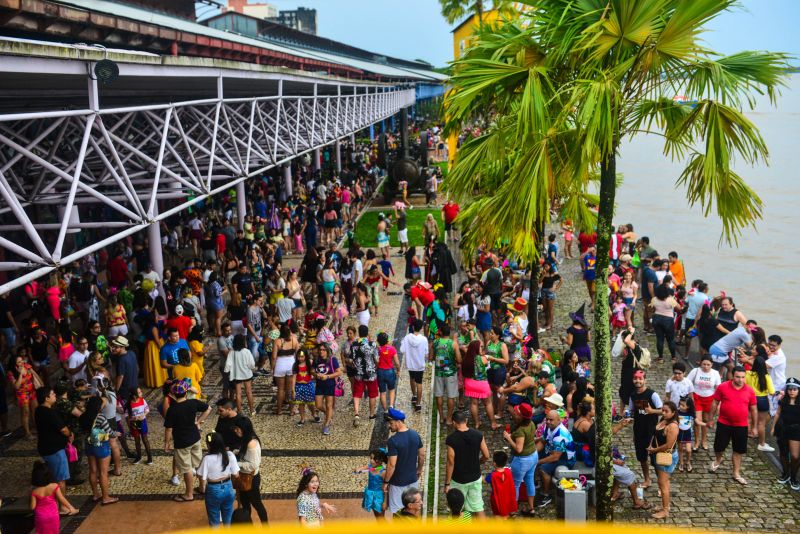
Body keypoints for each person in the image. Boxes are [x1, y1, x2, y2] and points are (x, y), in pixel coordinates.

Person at [164, 380, 211, 502]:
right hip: (195, 438)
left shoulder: (172, 410)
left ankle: (189, 494)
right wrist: (198, 421)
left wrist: (166, 443)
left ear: (173, 394)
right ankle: (202, 487)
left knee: (187, 468)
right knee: (199, 464)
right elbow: (208, 408)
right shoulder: (193, 403)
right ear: (186, 392)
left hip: (181, 442)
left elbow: (169, 429)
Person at [709, 366, 757, 485]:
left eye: (742, 377)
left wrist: (754, 426)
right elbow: (715, 402)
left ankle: (736, 473)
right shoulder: (723, 387)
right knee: (719, 447)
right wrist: (711, 419)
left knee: (738, 450)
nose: (740, 380)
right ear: (732, 376)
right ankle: (718, 459)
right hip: (724, 423)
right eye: (737, 377)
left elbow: (753, 409)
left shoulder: (750, 391)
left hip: (741, 426)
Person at [445, 410, 490, 519]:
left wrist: (447, 484)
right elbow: (487, 455)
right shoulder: (478, 435)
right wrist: (479, 461)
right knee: (478, 507)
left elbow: (451, 462)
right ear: (466, 420)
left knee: (457, 508)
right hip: (475, 478)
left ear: (454, 423)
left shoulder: (451, 439)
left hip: (458, 480)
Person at [34, 387, 72, 507]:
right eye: (52, 394)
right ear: (46, 398)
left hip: (44, 448)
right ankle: (63, 507)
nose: (55, 394)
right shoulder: (50, 413)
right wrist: (70, 434)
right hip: (55, 450)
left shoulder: (38, 410)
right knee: (60, 480)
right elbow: (64, 430)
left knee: (52, 477)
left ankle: (52, 504)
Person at [383, 408, 425, 514]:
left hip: (397, 483)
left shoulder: (393, 441)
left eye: (391, 423)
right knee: (414, 509)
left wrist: (386, 482)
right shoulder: (415, 435)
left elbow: (392, 464)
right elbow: (421, 454)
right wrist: (419, 470)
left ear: (398, 422)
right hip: (413, 480)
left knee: (397, 512)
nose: (389, 426)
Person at [79, 395, 118, 505]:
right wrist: (116, 434)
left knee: (93, 471)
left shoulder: (83, 416)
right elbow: (110, 432)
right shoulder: (100, 417)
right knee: (103, 473)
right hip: (101, 445)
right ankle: (106, 497)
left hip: (89, 445)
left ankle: (96, 494)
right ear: (98, 406)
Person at [628, 369, 663, 490]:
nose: (637, 381)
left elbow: (663, 410)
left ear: (645, 380)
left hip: (652, 432)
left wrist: (652, 411)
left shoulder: (652, 394)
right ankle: (647, 480)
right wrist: (627, 415)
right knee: (642, 458)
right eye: (635, 378)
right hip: (638, 431)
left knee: (655, 460)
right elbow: (632, 411)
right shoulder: (632, 395)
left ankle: (661, 485)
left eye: (640, 378)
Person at [500, 403, 538, 515]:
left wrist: (508, 438)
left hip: (523, 460)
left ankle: (512, 510)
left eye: (517, 412)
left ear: (521, 416)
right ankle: (531, 508)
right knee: (529, 481)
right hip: (533, 456)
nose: (515, 413)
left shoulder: (521, 430)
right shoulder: (531, 423)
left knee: (515, 484)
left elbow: (519, 449)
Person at [536, 409, 577, 508]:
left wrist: (537, 461)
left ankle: (546, 495)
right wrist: (533, 454)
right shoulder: (548, 426)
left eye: (551, 420)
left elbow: (555, 457)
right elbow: (543, 440)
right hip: (552, 451)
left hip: (566, 459)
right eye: (547, 419)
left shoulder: (560, 435)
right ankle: (538, 482)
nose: (548, 421)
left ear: (559, 421)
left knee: (543, 469)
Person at [646, 401, 680, 519]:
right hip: (658, 454)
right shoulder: (663, 420)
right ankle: (665, 505)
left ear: (673, 413)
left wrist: (654, 450)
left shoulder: (673, 426)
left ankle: (665, 510)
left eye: (666, 411)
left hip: (664, 456)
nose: (663, 413)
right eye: (663, 410)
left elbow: (668, 445)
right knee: (664, 482)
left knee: (663, 483)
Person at [197, 432, 239, 527]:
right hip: (229, 487)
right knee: (228, 517)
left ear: (209, 445)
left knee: (214, 518)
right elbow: (236, 474)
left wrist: (202, 488)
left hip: (213, 489)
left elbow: (201, 477)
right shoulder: (229, 455)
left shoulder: (207, 459)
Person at [234, 417, 269, 524]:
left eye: (237, 429)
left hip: (251, 479)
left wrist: (237, 464)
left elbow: (253, 465)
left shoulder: (251, 444)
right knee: (245, 504)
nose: (235, 431)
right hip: (244, 477)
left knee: (257, 504)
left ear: (244, 428)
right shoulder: (246, 439)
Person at [30, 460, 78, 534]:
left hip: (41, 517)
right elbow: (62, 498)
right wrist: (71, 508)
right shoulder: (54, 486)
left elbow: (32, 507)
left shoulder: (35, 491)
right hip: (53, 515)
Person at [687, 356, 721, 450]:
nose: (706, 367)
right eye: (704, 364)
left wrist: (719, 403)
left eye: (708, 365)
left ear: (712, 365)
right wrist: (690, 397)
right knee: (697, 420)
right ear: (700, 363)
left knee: (706, 420)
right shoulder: (695, 371)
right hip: (696, 397)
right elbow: (687, 382)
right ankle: (697, 441)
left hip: (710, 399)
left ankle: (704, 440)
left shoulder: (715, 373)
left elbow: (718, 389)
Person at [773, 377, 800, 490]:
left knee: (795, 456)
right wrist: (773, 427)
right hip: (783, 430)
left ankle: (794, 477)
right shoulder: (783, 400)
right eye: (789, 389)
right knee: (783, 453)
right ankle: (786, 474)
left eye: (794, 389)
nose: (792, 391)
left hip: (796, 431)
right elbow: (778, 414)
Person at [431, 324, 461, 426]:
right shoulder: (453, 344)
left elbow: (431, 357)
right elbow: (459, 359)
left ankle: (441, 417)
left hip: (439, 373)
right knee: (451, 396)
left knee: (439, 394)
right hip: (450, 373)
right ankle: (448, 418)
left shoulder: (435, 342)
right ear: (449, 333)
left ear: (441, 332)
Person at [350, 325, 379, 425]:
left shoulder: (354, 344)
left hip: (359, 373)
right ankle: (371, 414)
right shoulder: (372, 344)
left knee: (357, 394)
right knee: (372, 394)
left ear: (359, 333)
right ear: (367, 333)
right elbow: (376, 359)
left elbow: (352, 358)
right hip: (371, 373)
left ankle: (357, 414)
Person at [312, 343, 342, 436]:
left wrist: (327, 376)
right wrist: (316, 374)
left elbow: (339, 372)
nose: (321, 351)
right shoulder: (316, 359)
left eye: (323, 350)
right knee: (318, 405)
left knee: (329, 405)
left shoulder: (332, 360)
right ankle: (328, 414)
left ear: (327, 350)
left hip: (330, 385)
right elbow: (312, 370)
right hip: (319, 385)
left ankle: (327, 424)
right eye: (320, 349)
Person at [400, 319, 428, 411]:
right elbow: (426, 353)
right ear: (421, 329)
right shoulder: (424, 339)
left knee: (412, 379)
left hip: (410, 364)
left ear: (412, 327)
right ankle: (418, 404)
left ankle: (414, 395)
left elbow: (402, 350)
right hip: (420, 365)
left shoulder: (407, 338)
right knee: (419, 382)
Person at [225, 334, 256, 415]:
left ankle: (239, 411)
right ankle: (252, 410)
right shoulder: (247, 351)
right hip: (247, 374)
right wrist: (251, 367)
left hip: (237, 375)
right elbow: (252, 364)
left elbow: (228, 364)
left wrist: (226, 371)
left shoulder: (232, 352)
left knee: (238, 394)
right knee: (249, 392)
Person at [354, 449, 388, 519]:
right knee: (377, 516)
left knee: (381, 517)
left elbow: (386, 488)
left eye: (374, 459)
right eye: (371, 458)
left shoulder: (383, 472)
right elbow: (363, 468)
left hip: (379, 497)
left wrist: (385, 502)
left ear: (380, 460)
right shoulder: (371, 467)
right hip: (370, 495)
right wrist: (358, 469)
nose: (371, 460)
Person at [483, 450, 517, 518]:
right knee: (506, 511)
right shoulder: (508, 471)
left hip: (496, 498)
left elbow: (484, 481)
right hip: (507, 496)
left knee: (497, 514)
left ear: (494, 463)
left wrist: (480, 476)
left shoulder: (492, 475)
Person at [126, 387, 153, 465]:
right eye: (139, 392)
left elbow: (147, 409)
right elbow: (127, 415)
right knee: (137, 441)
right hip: (134, 425)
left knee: (145, 439)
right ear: (134, 395)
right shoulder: (129, 404)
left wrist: (143, 415)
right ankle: (139, 457)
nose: (141, 393)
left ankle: (150, 457)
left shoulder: (142, 400)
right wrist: (132, 418)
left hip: (142, 422)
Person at [376, 332, 400, 411]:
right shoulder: (392, 349)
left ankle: (385, 411)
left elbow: (376, 360)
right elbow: (397, 362)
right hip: (390, 372)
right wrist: (398, 370)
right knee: (391, 389)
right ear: (387, 340)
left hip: (380, 372)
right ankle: (391, 407)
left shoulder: (378, 350)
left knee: (382, 392)